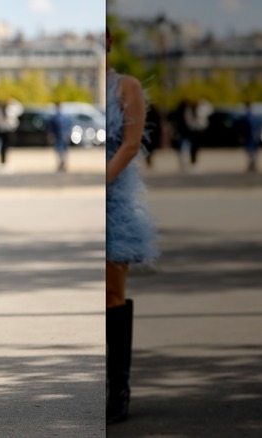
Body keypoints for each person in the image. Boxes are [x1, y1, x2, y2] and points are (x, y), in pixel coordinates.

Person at [105, 27, 159, 425]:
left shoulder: (126, 87)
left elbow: (130, 143)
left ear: (108, 44)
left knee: (111, 293)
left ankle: (117, 388)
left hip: (112, 200)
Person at [241, 101, 262, 172]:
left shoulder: (247, 117)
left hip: (249, 136)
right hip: (254, 135)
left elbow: (243, 128)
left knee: (250, 152)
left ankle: (252, 164)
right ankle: (253, 164)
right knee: (253, 152)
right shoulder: (254, 117)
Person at [52, 101, 68, 172]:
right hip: (63, 135)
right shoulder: (64, 116)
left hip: (59, 135)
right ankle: (62, 164)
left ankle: (62, 164)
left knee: (60, 151)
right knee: (63, 151)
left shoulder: (56, 117)